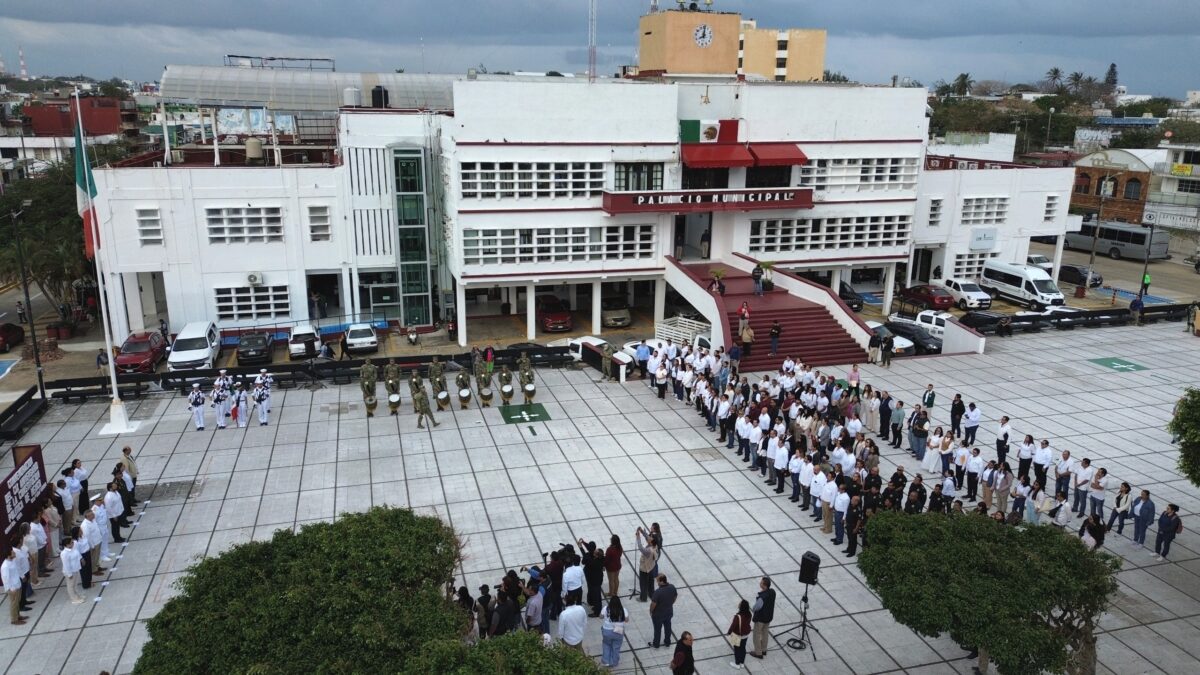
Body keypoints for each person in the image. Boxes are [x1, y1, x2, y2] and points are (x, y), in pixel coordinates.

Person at [749, 576, 775, 659]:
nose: (760, 583)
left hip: (760, 618)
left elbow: (756, 608)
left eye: (761, 583)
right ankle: (764, 650)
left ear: (764, 585)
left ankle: (758, 653)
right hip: (768, 617)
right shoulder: (772, 592)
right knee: (765, 633)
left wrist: (753, 609)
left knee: (756, 635)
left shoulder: (762, 597)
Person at [648, 573, 677, 649]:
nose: (657, 583)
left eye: (657, 581)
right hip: (668, 612)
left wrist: (651, 611)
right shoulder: (672, 587)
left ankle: (656, 644)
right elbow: (675, 597)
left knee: (657, 630)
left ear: (661, 581)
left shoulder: (658, 592)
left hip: (658, 615)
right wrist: (670, 603)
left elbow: (653, 604)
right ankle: (667, 642)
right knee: (668, 627)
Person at [600, 596, 627, 668]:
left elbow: (601, 616)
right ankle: (614, 662)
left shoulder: (606, 608)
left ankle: (606, 661)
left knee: (606, 645)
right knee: (616, 647)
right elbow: (627, 620)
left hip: (607, 631)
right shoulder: (623, 610)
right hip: (619, 631)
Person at [2, 548, 26, 625]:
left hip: (17, 584)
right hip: (13, 588)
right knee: (14, 603)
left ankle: (18, 615)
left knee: (17, 602)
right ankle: (14, 620)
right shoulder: (5, 566)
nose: (15, 553)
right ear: (8, 555)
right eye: (13, 553)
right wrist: (11, 588)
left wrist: (22, 576)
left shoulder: (13, 561)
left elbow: (17, 570)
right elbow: (6, 579)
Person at [727, 599, 753, 669]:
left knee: (737, 649)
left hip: (737, 635)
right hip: (745, 634)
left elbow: (733, 626)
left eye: (740, 603)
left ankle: (737, 664)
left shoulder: (737, 616)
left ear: (741, 606)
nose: (738, 604)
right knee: (743, 648)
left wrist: (729, 632)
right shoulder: (749, 614)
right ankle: (742, 663)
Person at [636, 527, 660, 602]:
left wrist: (638, 537)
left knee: (643, 584)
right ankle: (651, 594)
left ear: (651, 541)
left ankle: (643, 598)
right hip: (651, 567)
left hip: (644, 569)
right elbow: (647, 537)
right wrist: (642, 531)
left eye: (650, 537)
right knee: (651, 582)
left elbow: (640, 547)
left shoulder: (648, 551)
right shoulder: (655, 546)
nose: (648, 537)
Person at [60, 537, 85, 604]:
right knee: (71, 585)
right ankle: (74, 599)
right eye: (71, 543)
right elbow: (66, 565)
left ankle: (77, 595)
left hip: (76, 569)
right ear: (67, 544)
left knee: (75, 584)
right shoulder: (64, 553)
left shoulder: (73, 549)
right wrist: (69, 574)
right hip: (70, 571)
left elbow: (78, 554)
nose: (73, 543)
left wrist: (81, 559)